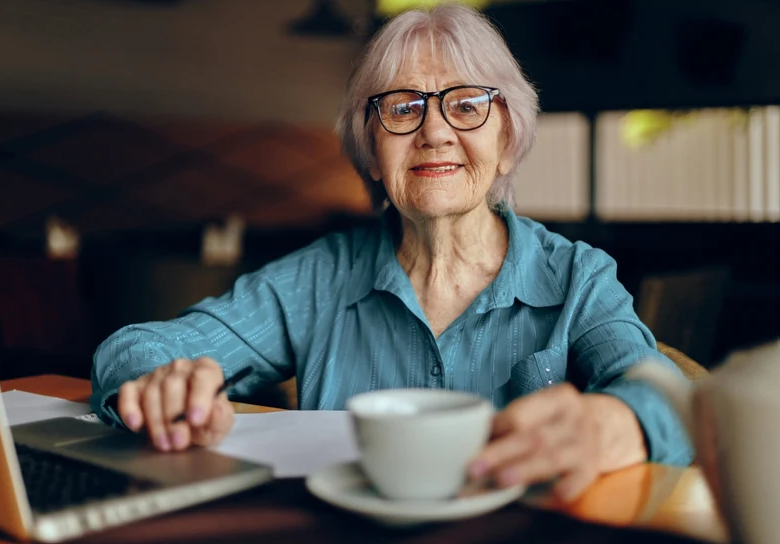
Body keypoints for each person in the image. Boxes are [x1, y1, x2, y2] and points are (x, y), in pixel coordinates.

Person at [91, 2, 693, 501]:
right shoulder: (320, 276)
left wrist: (614, 422)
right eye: (402, 108)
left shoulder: (577, 278)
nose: (434, 131)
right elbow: (136, 347)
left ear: (507, 141)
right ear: (372, 153)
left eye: (466, 105)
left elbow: (667, 398)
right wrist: (156, 384)